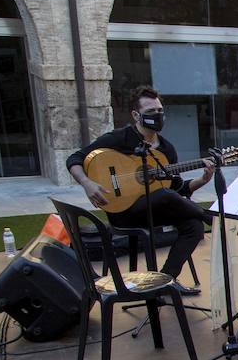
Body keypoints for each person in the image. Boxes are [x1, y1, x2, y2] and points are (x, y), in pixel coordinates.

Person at [66, 85, 213, 292]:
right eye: (151, 112)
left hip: (156, 209)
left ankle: (164, 281)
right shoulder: (120, 138)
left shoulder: (166, 149)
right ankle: (212, 218)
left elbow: (177, 188)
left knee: (194, 227)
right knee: (164, 195)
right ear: (136, 115)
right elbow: (74, 158)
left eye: (160, 111)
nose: (158, 115)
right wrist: (87, 183)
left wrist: (202, 180)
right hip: (124, 211)